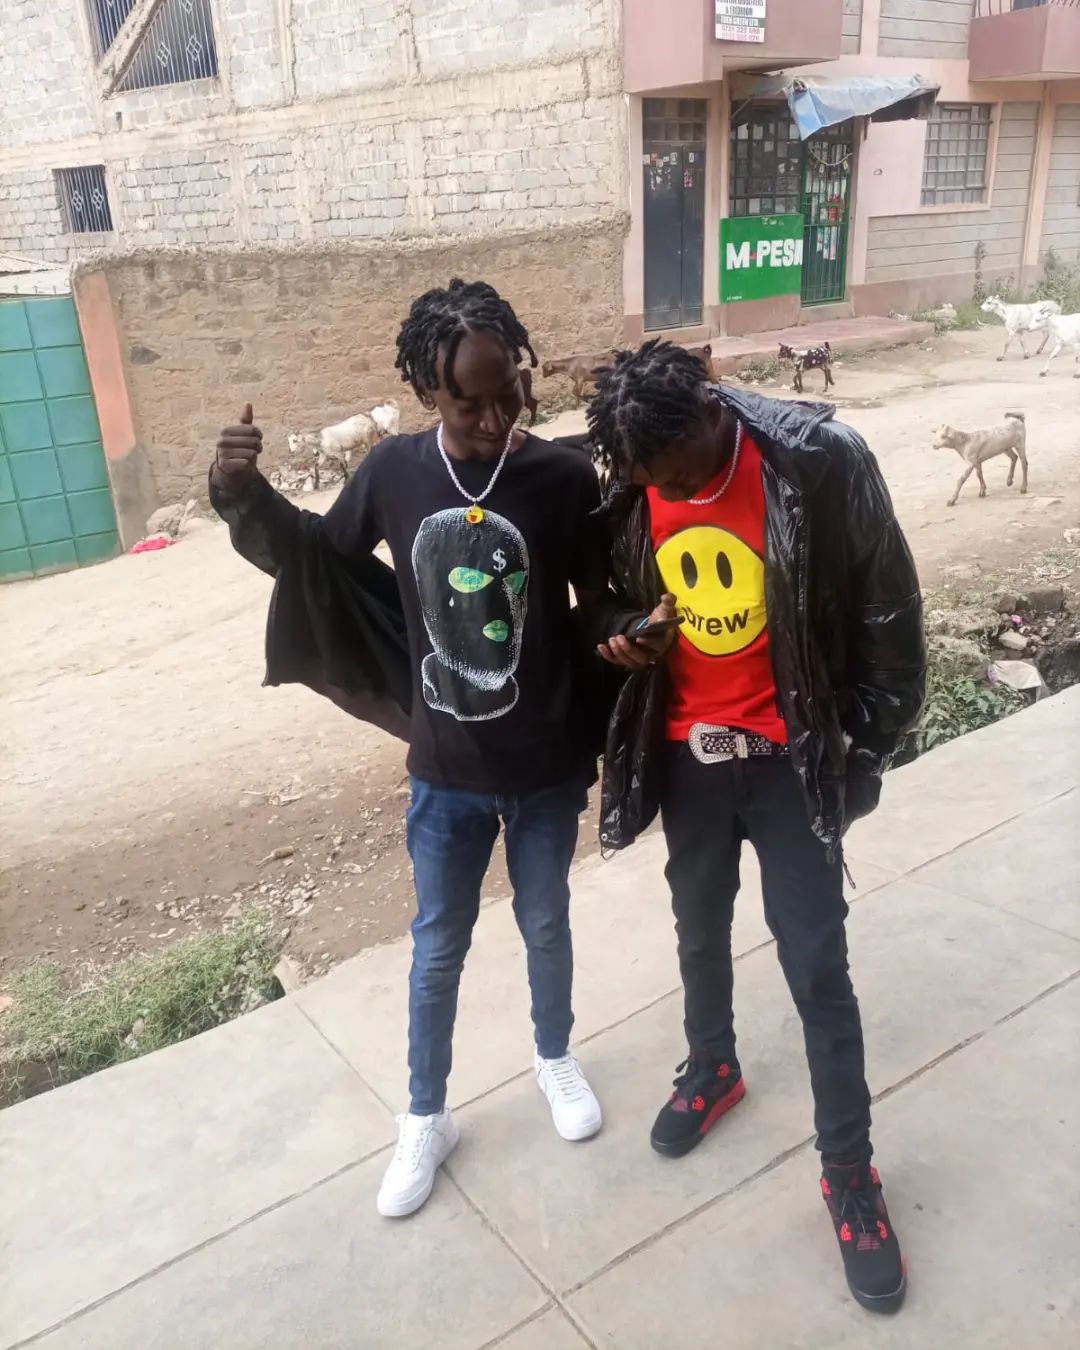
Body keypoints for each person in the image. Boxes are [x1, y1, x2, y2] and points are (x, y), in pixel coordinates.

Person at [210, 280, 609, 1220]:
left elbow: (601, 600)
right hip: (446, 774)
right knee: (437, 951)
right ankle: (426, 1115)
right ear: (428, 390)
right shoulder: (393, 471)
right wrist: (240, 494)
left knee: (547, 925)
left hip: (545, 765)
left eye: (508, 393)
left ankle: (554, 1058)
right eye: (469, 403)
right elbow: (318, 556)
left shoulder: (561, 478)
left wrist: (631, 634)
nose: (494, 419)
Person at [587, 339, 926, 1315]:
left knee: (817, 968)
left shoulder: (817, 462)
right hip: (690, 757)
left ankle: (850, 1176)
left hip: (791, 754)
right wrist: (624, 631)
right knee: (697, 929)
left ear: (710, 413)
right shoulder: (635, 470)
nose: (668, 493)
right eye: (652, 483)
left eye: (677, 474)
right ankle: (714, 1067)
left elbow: (889, 616)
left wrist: (864, 758)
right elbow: (609, 592)